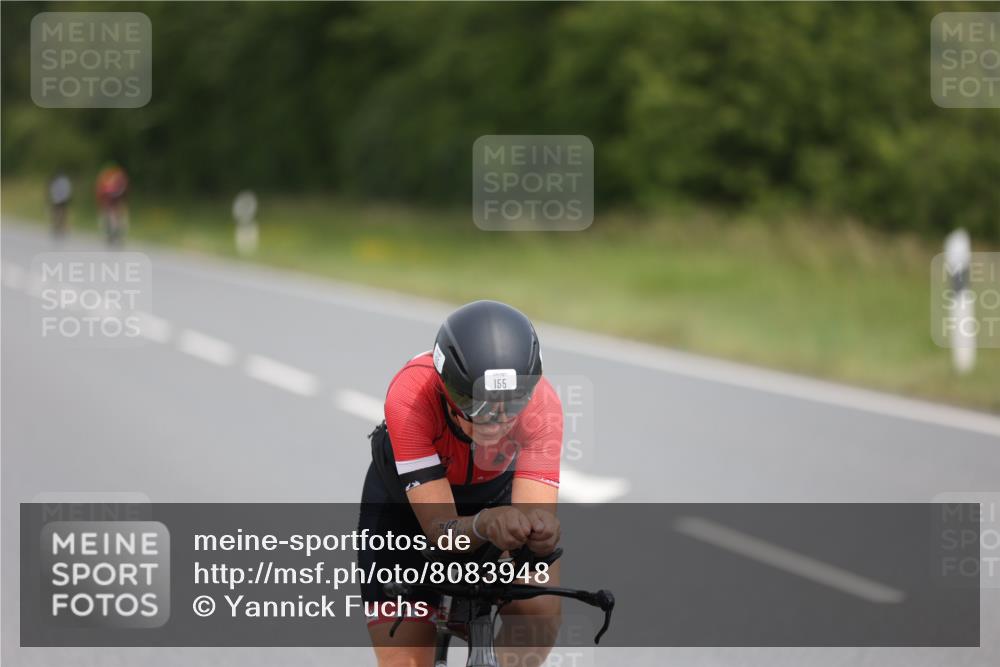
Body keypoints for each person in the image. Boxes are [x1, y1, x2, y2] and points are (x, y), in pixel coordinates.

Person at [360, 300, 564, 667]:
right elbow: (440, 529)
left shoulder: (542, 403)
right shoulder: (411, 396)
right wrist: (484, 524)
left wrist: (539, 532)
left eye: (512, 403)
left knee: (540, 607)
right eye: (477, 403)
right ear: (445, 387)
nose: (496, 421)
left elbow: (535, 527)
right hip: (408, 509)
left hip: (493, 497)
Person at [94, 163, 129, 245]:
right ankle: (113, 234)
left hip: (112, 202)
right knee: (113, 218)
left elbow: (100, 193)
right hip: (111, 202)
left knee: (114, 218)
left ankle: (114, 234)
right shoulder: (117, 180)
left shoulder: (107, 179)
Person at [48, 172, 72, 237]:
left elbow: (53, 190)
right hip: (61, 200)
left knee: (59, 214)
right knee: (60, 214)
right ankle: (57, 228)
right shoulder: (64, 181)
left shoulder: (58, 181)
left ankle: (59, 228)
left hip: (58, 199)